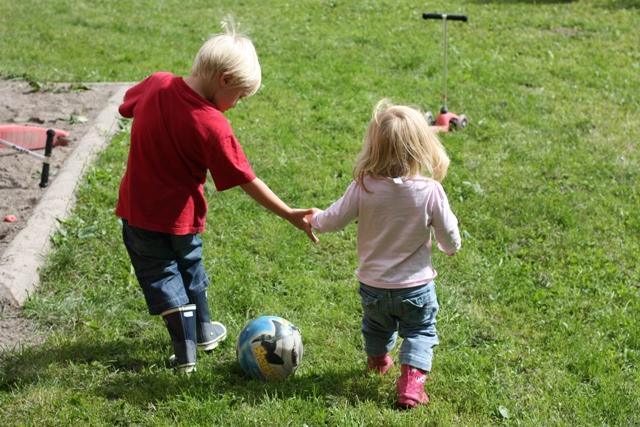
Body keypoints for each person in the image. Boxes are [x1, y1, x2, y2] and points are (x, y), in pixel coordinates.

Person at [116, 18, 316, 374]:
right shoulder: (213, 124)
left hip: (139, 212)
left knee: (161, 274)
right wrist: (288, 213)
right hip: (183, 220)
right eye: (239, 96)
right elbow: (246, 178)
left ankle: (193, 344)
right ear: (223, 80)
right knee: (188, 268)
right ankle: (195, 342)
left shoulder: (157, 83)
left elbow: (125, 106)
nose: (236, 104)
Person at [306, 99, 461, 408]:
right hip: (415, 287)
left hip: (374, 287)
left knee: (376, 326)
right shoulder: (430, 191)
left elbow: (335, 217)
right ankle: (412, 382)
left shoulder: (364, 186)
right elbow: (448, 231)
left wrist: (315, 220)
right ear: (421, 148)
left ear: (373, 147)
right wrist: (450, 247)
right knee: (419, 331)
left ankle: (378, 360)